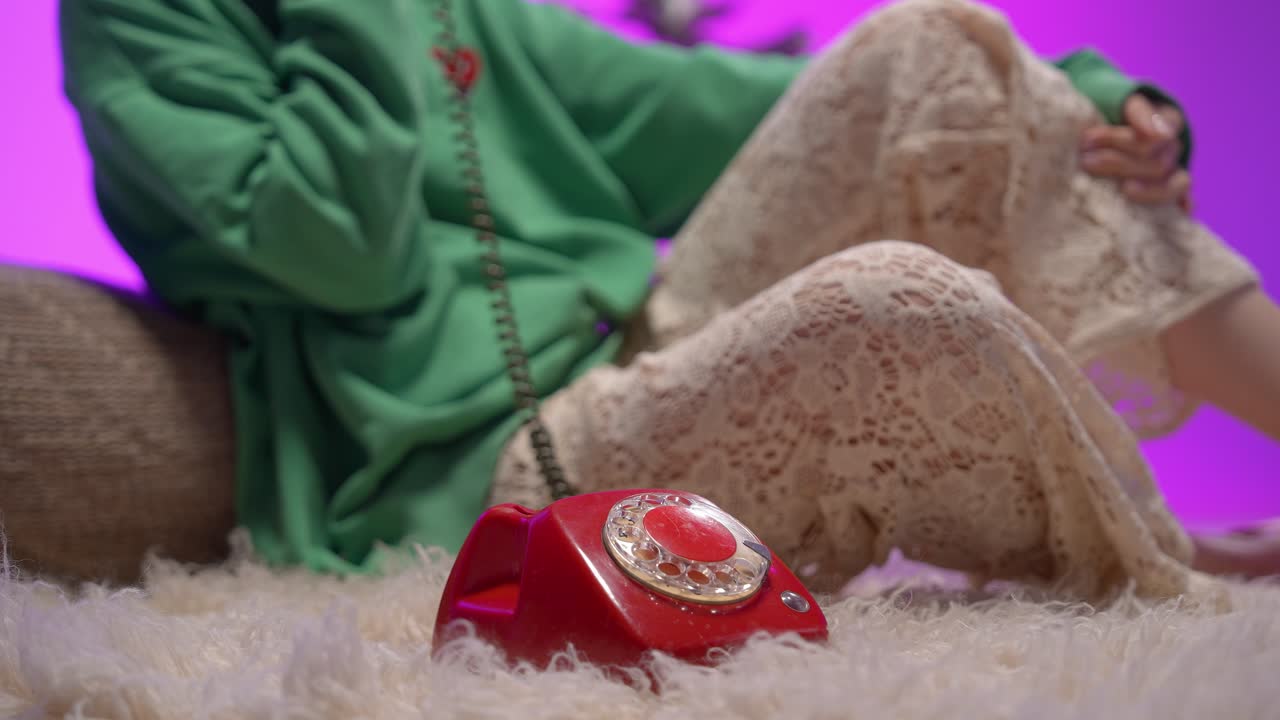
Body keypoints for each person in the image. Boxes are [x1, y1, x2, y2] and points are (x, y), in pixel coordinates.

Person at [54, 0, 1277, 601]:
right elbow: (340, 244)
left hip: (628, 359)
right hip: (482, 485)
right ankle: (1156, 554)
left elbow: (739, 110)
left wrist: (1086, 100)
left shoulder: (462, 13)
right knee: (891, 308)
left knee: (927, 46)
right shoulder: (141, 22)